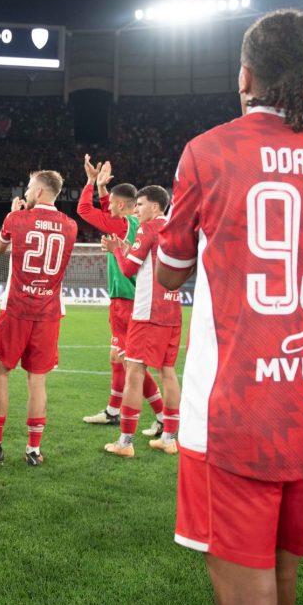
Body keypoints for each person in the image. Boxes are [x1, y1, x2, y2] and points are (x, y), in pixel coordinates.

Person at [156, 9, 303, 605]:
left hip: (236, 406)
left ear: (246, 75)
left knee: (243, 584)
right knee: (281, 573)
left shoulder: (209, 150)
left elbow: (169, 273)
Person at [0, 170, 77, 466]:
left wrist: (12, 216)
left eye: (28, 187)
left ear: (38, 191)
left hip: (16, 308)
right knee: (37, 381)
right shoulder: (71, 225)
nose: (25, 192)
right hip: (49, 311)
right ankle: (33, 450)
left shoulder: (17, 219)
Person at [77, 157, 166, 436]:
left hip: (126, 300)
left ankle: (162, 415)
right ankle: (112, 412)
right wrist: (103, 190)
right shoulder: (131, 222)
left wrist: (91, 181)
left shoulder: (121, 225)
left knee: (130, 362)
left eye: (112, 204)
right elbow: (110, 212)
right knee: (117, 357)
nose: (109, 207)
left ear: (121, 205)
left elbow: (84, 210)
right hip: (128, 297)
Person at [101, 185, 182, 457]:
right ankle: (169, 438)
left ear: (155, 207)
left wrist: (116, 250)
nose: (137, 209)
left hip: (148, 312)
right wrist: (127, 249)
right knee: (168, 372)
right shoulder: (175, 228)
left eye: (141, 204)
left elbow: (127, 270)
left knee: (134, 372)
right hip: (173, 309)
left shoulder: (148, 228)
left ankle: (125, 443)